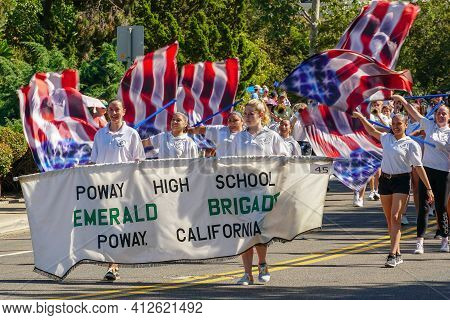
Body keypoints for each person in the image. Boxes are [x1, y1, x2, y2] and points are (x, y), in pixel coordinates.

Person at [352, 110, 434, 267]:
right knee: (390, 220)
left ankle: (391, 255)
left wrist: (429, 188)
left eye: (399, 124)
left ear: (405, 125)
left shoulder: (411, 144)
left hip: (401, 181)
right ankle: (397, 252)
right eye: (393, 124)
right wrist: (361, 117)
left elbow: (418, 167)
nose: (396, 126)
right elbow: (371, 130)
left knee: (396, 217)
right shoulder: (386, 138)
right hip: (385, 180)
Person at [231, 99, 290, 285]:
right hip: (243, 189)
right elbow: (232, 162)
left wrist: (273, 162)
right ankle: (246, 273)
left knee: (259, 231)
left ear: (261, 115)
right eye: (245, 114)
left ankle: (262, 264)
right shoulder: (239, 137)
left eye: (251, 114)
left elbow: (284, 157)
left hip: (263, 189)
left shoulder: (271, 135)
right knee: (244, 231)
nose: (247, 117)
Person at [90, 99, 146, 281]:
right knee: (108, 226)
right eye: (111, 110)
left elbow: (139, 162)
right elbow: (93, 162)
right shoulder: (100, 135)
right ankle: (113, 264)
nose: (114, 113)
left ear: (124, 111)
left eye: (117, 110)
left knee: (120, 226)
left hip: (125, 188)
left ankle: (115, 264)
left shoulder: (131, 134)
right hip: (104, 188)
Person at [393, 95, 449, 253]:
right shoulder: (429, 125)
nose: (441, 115)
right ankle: (420, 242)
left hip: (444, 172)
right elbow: (414, 114)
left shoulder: (449, 133)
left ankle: (445, 239)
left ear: (449, 117)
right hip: (427, 170)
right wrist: (403, 101)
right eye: (439, 113)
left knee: (441, 206)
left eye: (444, 113)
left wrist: (443, 146)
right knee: (423, 207)